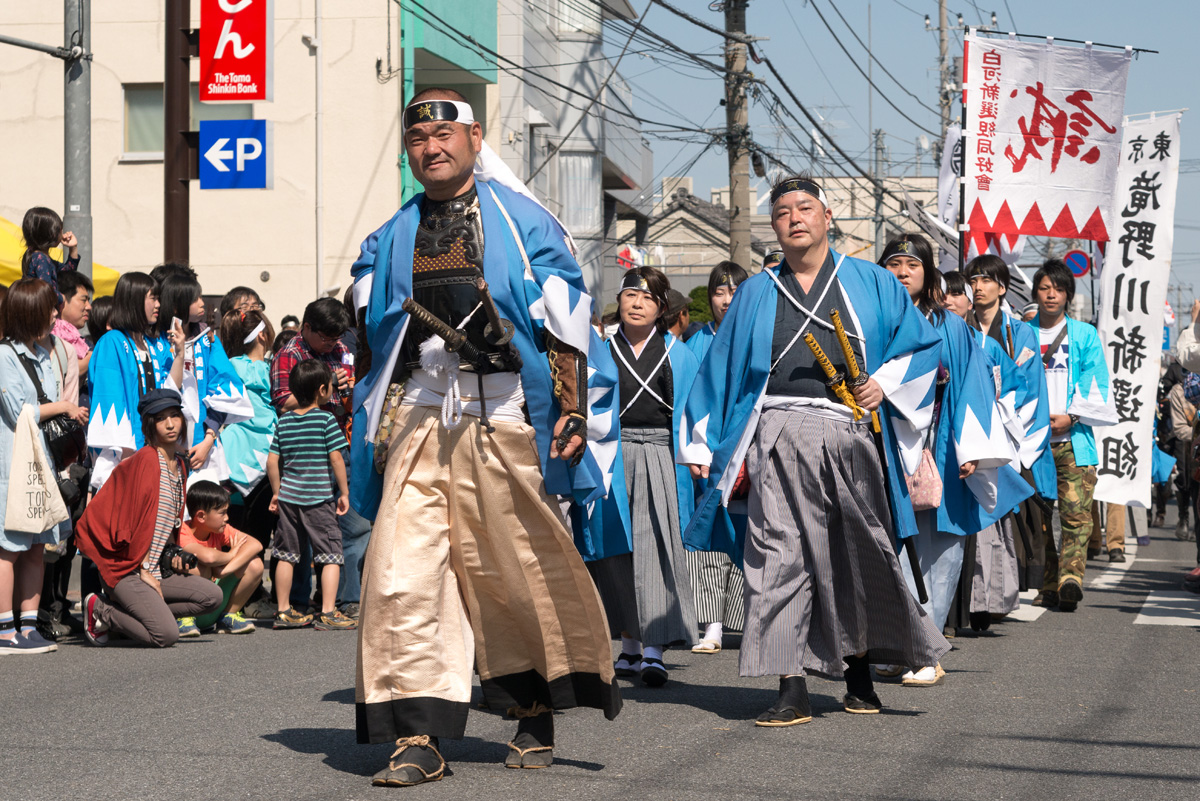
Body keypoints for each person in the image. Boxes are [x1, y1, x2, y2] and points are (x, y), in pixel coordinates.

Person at [349, 88, 620, 785]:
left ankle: (532, 706)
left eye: (444, 136)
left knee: (511, 565)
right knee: (400, 570)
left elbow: (567, 317)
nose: (431, 149)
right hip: (422, 412)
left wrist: (569, 408)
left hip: (504, 411)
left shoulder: (526, 221)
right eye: (418, 141)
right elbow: (367, 329)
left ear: (474, 139)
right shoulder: (390, 236)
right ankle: (419, 732)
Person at [679, 175, 950, 725]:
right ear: (773, 225)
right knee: (777, 557)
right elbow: (718, 372)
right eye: (781, 211)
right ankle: (790, 684)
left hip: (850, 434)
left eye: (805, 208)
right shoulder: (757, 291)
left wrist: (885, 384)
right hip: (775, 433)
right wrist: (701, 445)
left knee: (854, 555)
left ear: (828, 218)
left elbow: (921, 348)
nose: (794, 217)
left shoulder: (873, 281)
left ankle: (857, 673)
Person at [879, 237, 1028, 682]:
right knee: (893, 549)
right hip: (886, 442)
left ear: (929, 273)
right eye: (894, 264)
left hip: (941, 444)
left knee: (942, 548)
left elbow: (972, 385)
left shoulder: (950, 326)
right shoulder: (873, 320)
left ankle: (926, 652)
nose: (903, 272)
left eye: (912, 264)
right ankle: (899, 643)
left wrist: (973, 450)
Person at [588, 266, 699, 687]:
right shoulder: (599, 349)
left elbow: (691, 412)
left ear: (661, 309)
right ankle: (629, 646)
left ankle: (654, 649)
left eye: (648, 298)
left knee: (656, 548)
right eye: (631, 295)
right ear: (619, 301)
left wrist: (693, 458)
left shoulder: (678, 353)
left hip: (659, 453)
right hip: (610, 455)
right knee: (615, 552)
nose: (637, 304)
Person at [76, 388, 224, 647]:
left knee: (212, 596)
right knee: (166, 635)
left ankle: (137, 613)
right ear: (149, 425)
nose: (170, 424)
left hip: (158, 569)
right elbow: (130, 523)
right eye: (160, 418)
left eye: (174, 416)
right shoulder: (145, 459)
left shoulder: (180, 466)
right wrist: (143, 569)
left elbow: (166, 526)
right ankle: (102, 609)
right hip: (128, 570)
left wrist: (173, 553)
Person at [0, 279, 89, 655]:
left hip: (42, 465)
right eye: (49, 308)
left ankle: (30, 624)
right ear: (29, 312)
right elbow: (19, 411)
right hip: (12, 466)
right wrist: (64, 408)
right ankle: (6, 629)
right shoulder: (5, 356)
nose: (56, 314)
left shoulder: (44, 352)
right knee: (9, 549)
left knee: (36, 547)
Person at [269, 296, 369, 618]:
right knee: (296, 536)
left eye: (336, 339)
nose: (331, 345)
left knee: (352, 526)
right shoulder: (289, 354)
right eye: (325, 338)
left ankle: (345, 599)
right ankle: (295, 603)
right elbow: (282, 400)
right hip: (302, 453)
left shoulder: (340, 349)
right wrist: (321, 389)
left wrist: (346, 384)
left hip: (340, 444)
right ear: (306, 327)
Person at [1029, 259, 1116, 611]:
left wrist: (1071, 416)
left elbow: (1096, 381)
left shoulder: (1084, 335)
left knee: (1076, 515)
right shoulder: (1022, 332)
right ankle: (1049, 582)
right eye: (1046, 288)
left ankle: (1071, 578)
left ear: (1068, 295)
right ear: (1036, 292)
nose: (1052, 295)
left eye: (1059, 289)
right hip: (1032, 443)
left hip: (1072, 440)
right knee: (1040, 516)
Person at [683, 260, 749, 652]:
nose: (726, 300)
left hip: (747, 453)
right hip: (710, 454)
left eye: (735, 292)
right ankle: (711, 624)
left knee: (748, 535)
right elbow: (688, 405)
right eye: (719, 292)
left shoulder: (757, 337)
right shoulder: (697, 343)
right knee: (708, 537)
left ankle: (745, 620)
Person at [266, 359, 355, 631]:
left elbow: (272, 461)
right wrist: (344, 491)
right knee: (330, 553)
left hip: (289, 498)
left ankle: (283, 610)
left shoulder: (284, 422)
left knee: (285, 554)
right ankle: (328, 611)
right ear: (322, 390)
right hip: (319, 498)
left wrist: (276, 492)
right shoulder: (326, 419)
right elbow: (336, 458)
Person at [88, 272, 184, 490]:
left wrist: (180, 353)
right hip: (124, 455)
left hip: (151, 451)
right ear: (134, 299)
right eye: (153, 298)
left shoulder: (151, 344)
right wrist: (129, 459)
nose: (158, 305)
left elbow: (169, 391)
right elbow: (110, 402)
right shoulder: (112, 342)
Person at [177, 480, 264, 634]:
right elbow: (208, 558)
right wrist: (231, 554)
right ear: (201, 516)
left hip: (213, 605)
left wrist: (224, 571)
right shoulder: (182, 531)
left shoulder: (220, 529)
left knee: (255, 564)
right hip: (192, 609)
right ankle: (185, 619)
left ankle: (228, 616)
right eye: (222, 513)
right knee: (196, 567)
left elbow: (255, 544)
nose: (227, 518)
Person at [20, 207, 78, 302]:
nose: (62, 233)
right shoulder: (40, 259)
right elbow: (47, 292)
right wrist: (62, 298)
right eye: (60, 230)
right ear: (51, 233)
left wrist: (73, 248)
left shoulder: (40, 257)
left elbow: (67, 274)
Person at [1167, 373, 1197, 542]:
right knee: (1184, 480)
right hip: (1187, 443)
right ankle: (1183, 515)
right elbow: (1179, 428)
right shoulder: (1181, 388)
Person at [53, 271, 93, 378]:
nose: (89, 307)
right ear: (62, 299)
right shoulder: (51, 337)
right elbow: (70, 369)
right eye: (84, 300)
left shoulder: (84, 341)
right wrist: (93, 355)